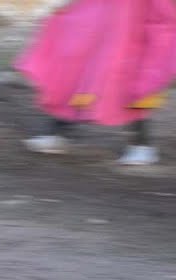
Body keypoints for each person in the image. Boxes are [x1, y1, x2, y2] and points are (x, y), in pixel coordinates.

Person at [16, 0, 176, 166]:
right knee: (79, 78)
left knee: (134, 89)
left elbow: (161, 16)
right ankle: (55, 131)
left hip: (135, 38)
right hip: (102, 35)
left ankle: (142, 145)